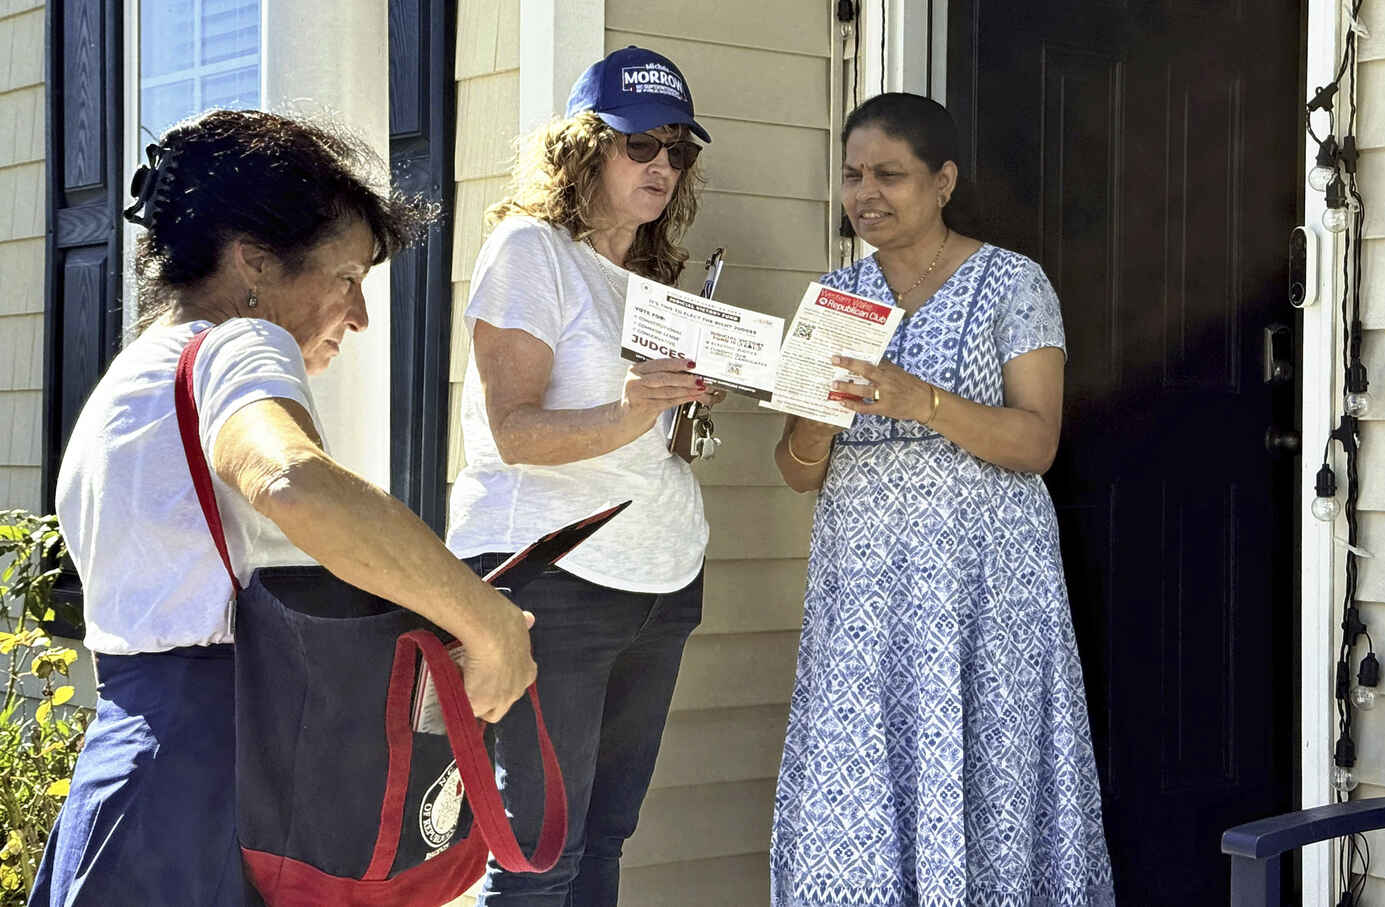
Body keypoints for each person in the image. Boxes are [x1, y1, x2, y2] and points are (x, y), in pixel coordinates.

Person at [29, 109, 537, 907]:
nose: (362, 315)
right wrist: (486, 620)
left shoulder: (127, 386)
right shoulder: (238, 343)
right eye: (347, 277)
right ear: (254, 264)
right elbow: (292, 480)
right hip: (219, 783)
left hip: (134, 778)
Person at [769, 93, 1115, 907]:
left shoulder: (1011, 282)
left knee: (989, 776)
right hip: (865, 598)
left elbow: (1037, 442)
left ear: (944, 180)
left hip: (986, 589)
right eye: (853, 174)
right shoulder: (834, 295)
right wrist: (816, 426)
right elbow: (795, 468)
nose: (866, 193)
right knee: (858, 776)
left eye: (890, 174)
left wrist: (920, 400)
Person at [445, 46, 720, 906]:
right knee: (537, 855)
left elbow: (649, 442)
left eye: (679, 149)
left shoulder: (649, 280)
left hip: (662, 581)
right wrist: (636, 406)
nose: (664, 165)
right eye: (642, 144)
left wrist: (691, 404)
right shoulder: (531, 250)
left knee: (606, 836)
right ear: (583, 147)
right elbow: (515, 431)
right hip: (555, 582)